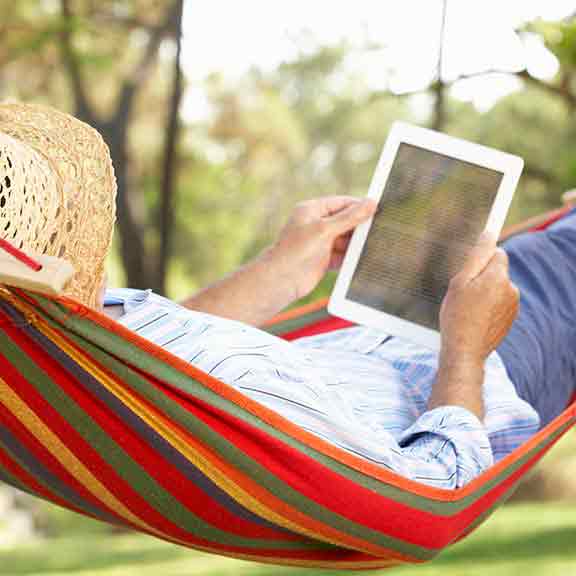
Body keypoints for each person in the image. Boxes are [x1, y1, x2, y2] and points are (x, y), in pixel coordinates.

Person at [0, 103, 569, 491]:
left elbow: (160, 358)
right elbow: (439, 483)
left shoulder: (68, 345)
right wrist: (466, 350)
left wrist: (279, 271)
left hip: (395, 337)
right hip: (486, 370)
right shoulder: (225, 392)